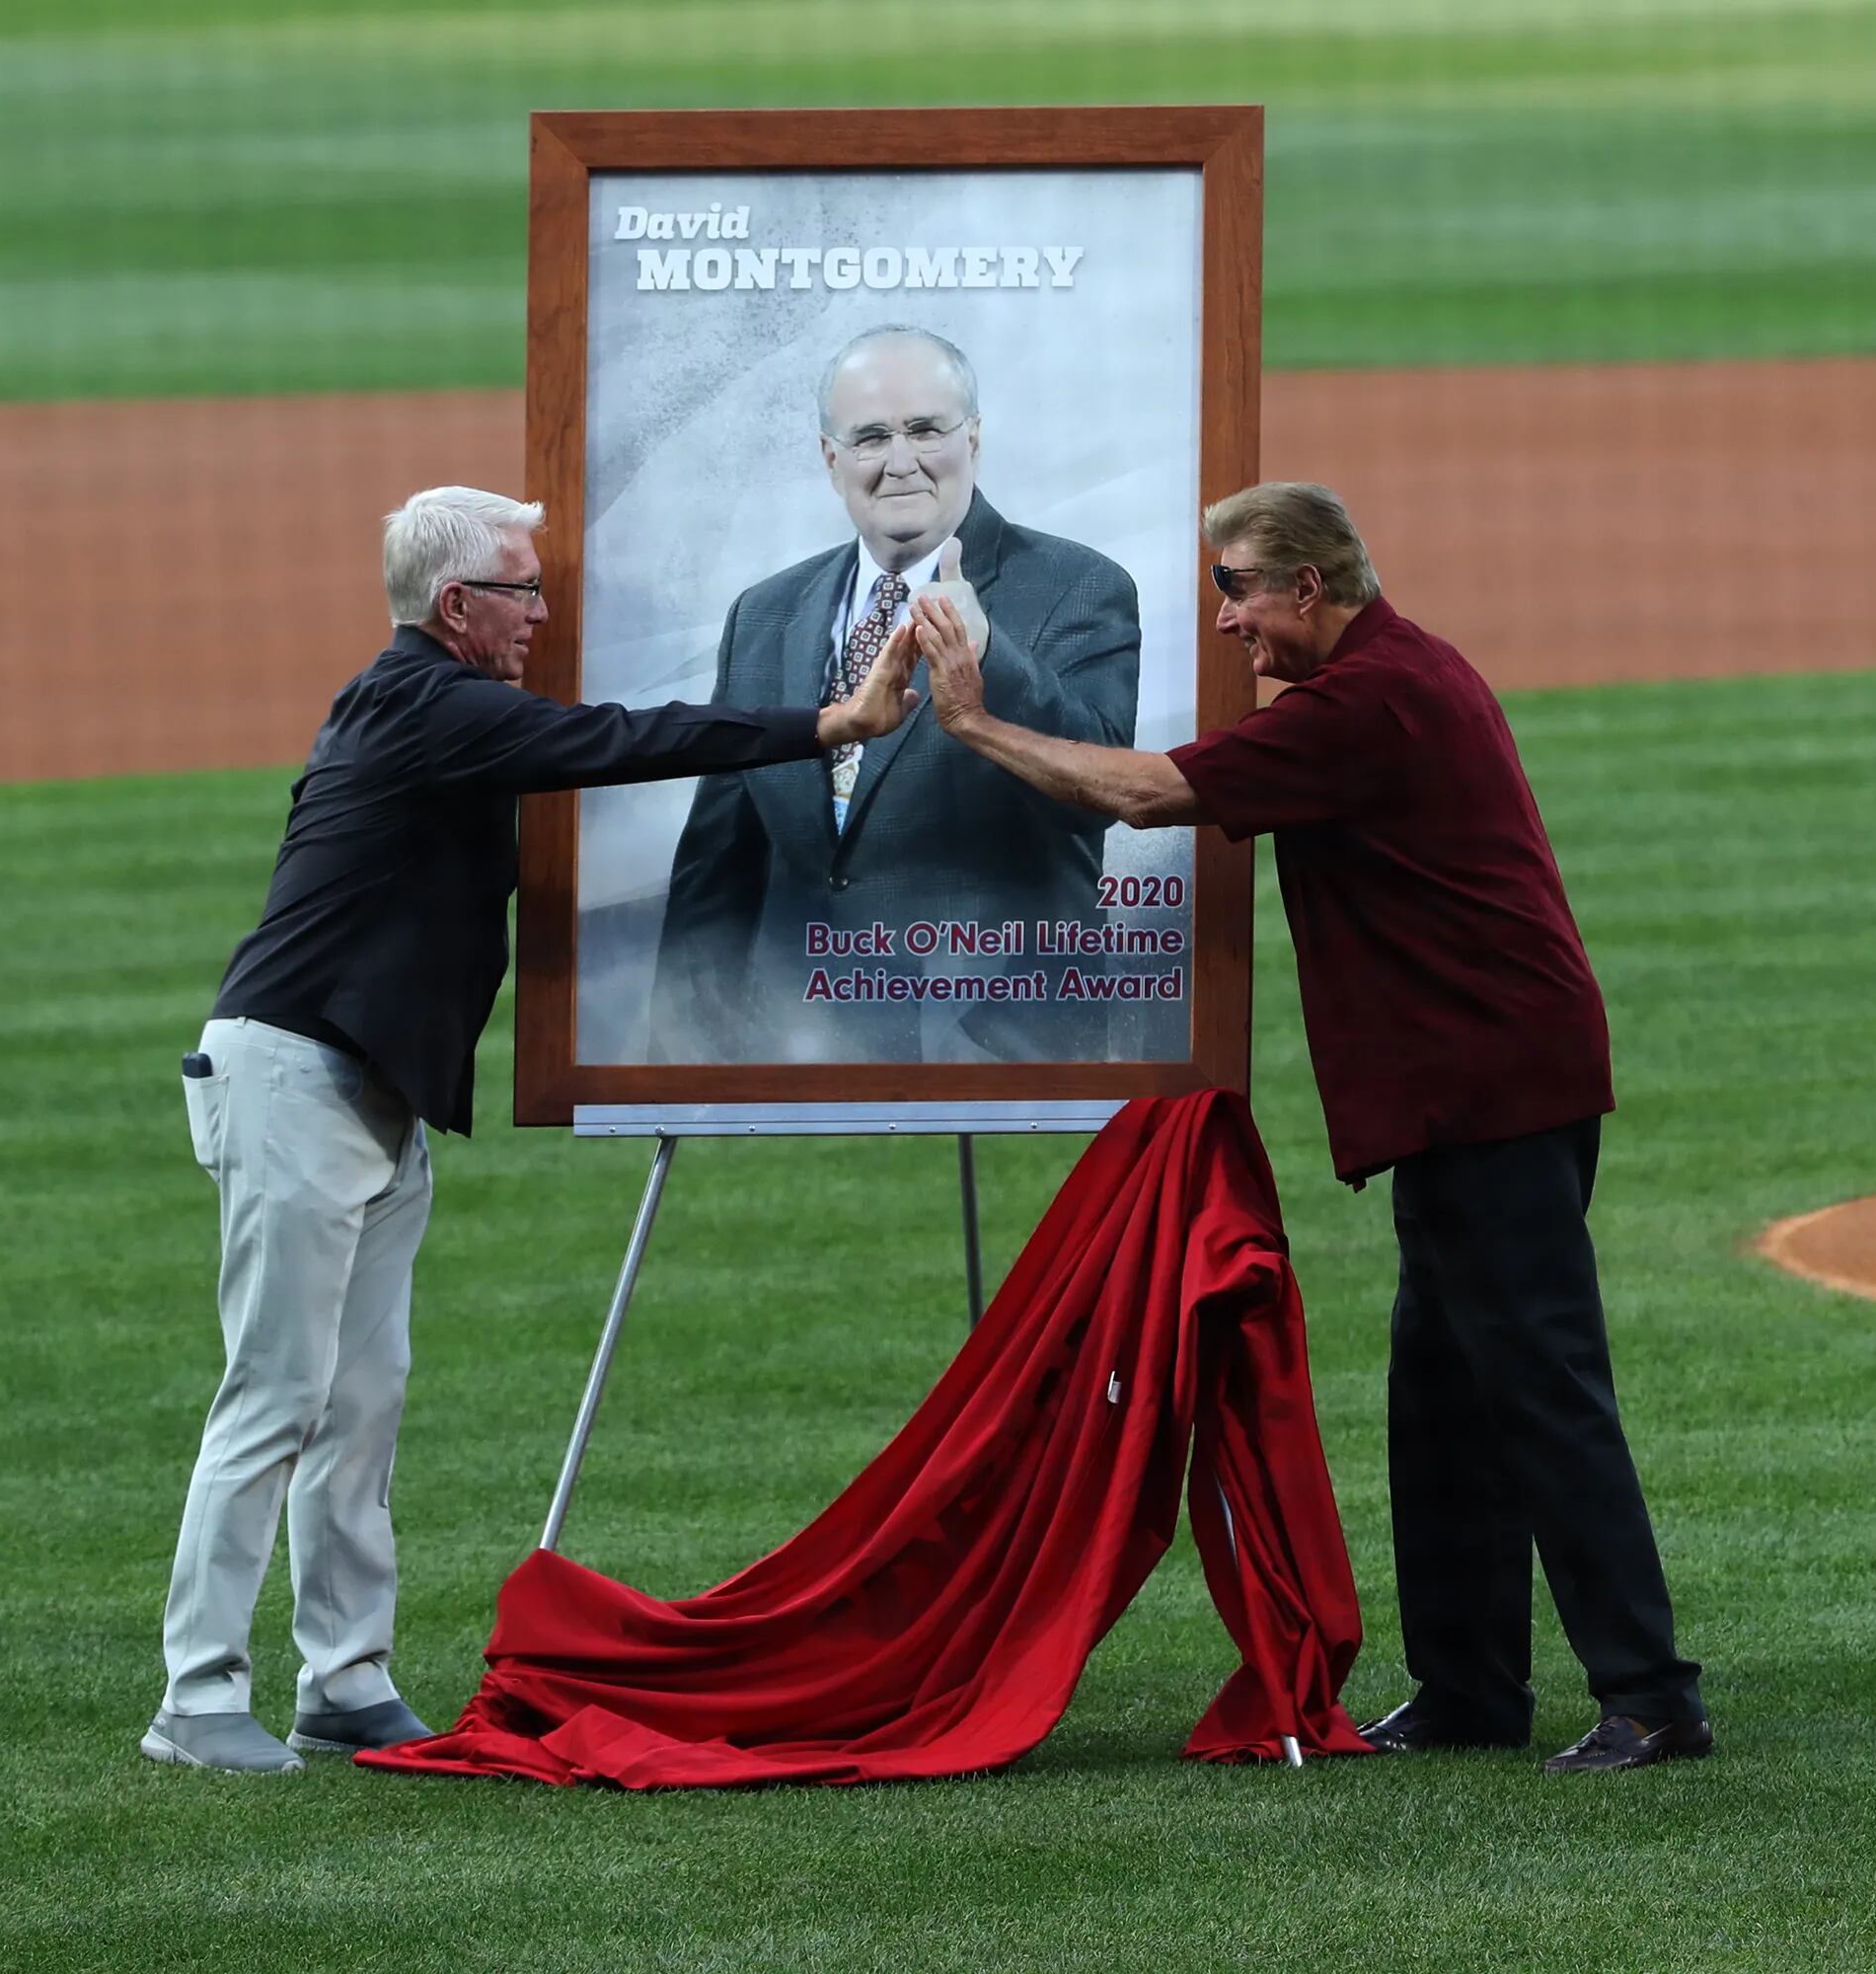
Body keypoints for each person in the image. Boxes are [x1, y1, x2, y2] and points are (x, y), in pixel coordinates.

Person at [885, 480, 1709, 1773]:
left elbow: (1149, 796)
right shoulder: (1393, 678)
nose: (1226, 623)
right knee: (1444, 1401)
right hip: (1472, 1092)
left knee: (1542, 1393)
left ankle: (1653, 1696)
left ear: (1310, 589)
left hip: (1495, 1093)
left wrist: (975, 722)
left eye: (1239, 590)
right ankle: (1469, 1689)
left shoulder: (1369, 704)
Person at [148, 486, 917, 1773]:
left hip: (362, 1096)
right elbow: (615, 739)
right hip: (294, 1086)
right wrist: (831, 722)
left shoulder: (406, 705)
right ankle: (198, 1699)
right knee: (275, 1397)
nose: (544, 614)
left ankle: (344, 1682)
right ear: (459, 607)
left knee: (361, 1406)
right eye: (524, 589)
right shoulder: (429, 704)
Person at [648, 326, 1141, 1064]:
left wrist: (990, 657)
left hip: (1002, 1042)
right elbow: (720, 859)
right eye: (871, 437)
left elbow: (1100, 788)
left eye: (925, 430)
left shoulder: (1078, 587)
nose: (900, 462)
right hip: (801, 1040)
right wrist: (684, 1048)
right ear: (830, 457)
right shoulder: (765, 614)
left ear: (973, 438)